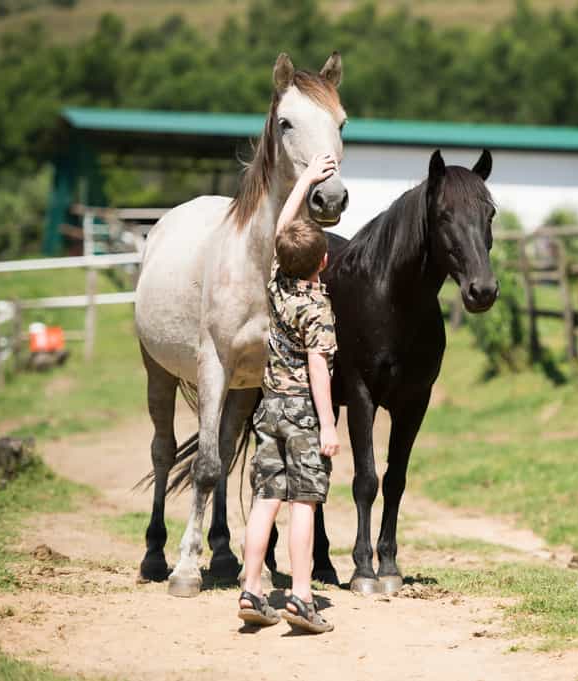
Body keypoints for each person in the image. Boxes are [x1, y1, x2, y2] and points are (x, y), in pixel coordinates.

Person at [237, 153, 341, 633]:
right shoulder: (317, 309)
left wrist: (304, 182)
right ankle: (301, 597)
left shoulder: (276, 284)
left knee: (265, 501)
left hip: (268, 410)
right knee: (303, 504)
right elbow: (320, 370)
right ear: (324, 261)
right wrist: (328, 424)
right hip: (301, 414)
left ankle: (253, 588)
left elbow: (282, 225)